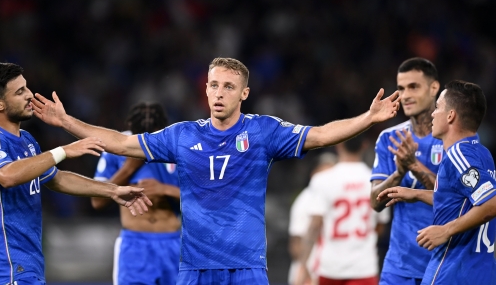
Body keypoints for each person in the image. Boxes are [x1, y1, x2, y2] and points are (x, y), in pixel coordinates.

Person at [32, 57, 400, 284]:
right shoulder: (182, 135)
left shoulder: (262, 131)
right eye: (213, 85)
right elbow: (120, 142)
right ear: (205, 90)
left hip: (246, 267)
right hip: (194, 267)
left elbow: (320, 136)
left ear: (244, 93)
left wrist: (369, 117)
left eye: (228, 86)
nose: (219, 92)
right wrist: (66, 122)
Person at [0, 63, 150, 285]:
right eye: (19, 92)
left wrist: (112, 190)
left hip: (27, 262)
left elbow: (57, 179)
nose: (29, 95)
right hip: (4, 265)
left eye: (26, 87)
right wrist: (64, 151)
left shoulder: (25, 140)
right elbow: (7, 176)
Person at [377, 80, 496, 284]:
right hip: (481, 271)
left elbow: (491, 203)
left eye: (438, 107)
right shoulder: (482, 153)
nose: (433, 113)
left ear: (451, 116)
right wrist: (416, 194)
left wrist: (445, 231)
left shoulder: (459, 154)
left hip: (452, 270)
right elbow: (464, 203)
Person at [369, 57, 442, 285]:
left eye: (413, 86)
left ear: (433, 88)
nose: (406, 95)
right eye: (401, 88)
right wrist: (399, 173)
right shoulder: (389, 139)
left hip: (443, 262)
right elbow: (375, 201)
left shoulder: (454, 138)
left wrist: (414, 166)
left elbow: (456, 198)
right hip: (399, 267)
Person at [91, 102, 181, 285]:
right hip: (135, 245)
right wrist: (129, 168)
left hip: (174, 243)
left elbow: (202, 198)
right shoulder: (116, 148)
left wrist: (165, 189)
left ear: (162, 129)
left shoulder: (177, 147)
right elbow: (96, 202)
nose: (147, 142)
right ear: (131, 130)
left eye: (152, 135)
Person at [294, 135, 390, 285]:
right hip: (363, 266)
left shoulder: (322, 179)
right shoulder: (377, 181)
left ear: (337, 145)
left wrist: (303, 264)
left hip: (330, 266)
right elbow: (380, 227)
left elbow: (314, 226)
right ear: (365, 145)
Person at [288, 152, 338, 285]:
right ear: (314, 174)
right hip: (308, 275)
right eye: (324, 173)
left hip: (329, 271)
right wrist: (306, 272)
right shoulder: (305, 200)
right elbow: (295, 244)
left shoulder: (336, 197)